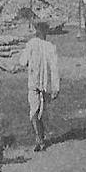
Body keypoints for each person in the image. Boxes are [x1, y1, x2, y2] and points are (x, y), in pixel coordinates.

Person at [18, 21, 61, 151]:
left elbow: (22, 62)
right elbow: (54, 69)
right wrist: (56, 87)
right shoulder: (49, 47)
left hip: (35, 83)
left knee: (35, 112)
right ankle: (40, 138)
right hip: (43, 85)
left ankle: (40, 138)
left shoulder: (32, 44)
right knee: (39, 112)